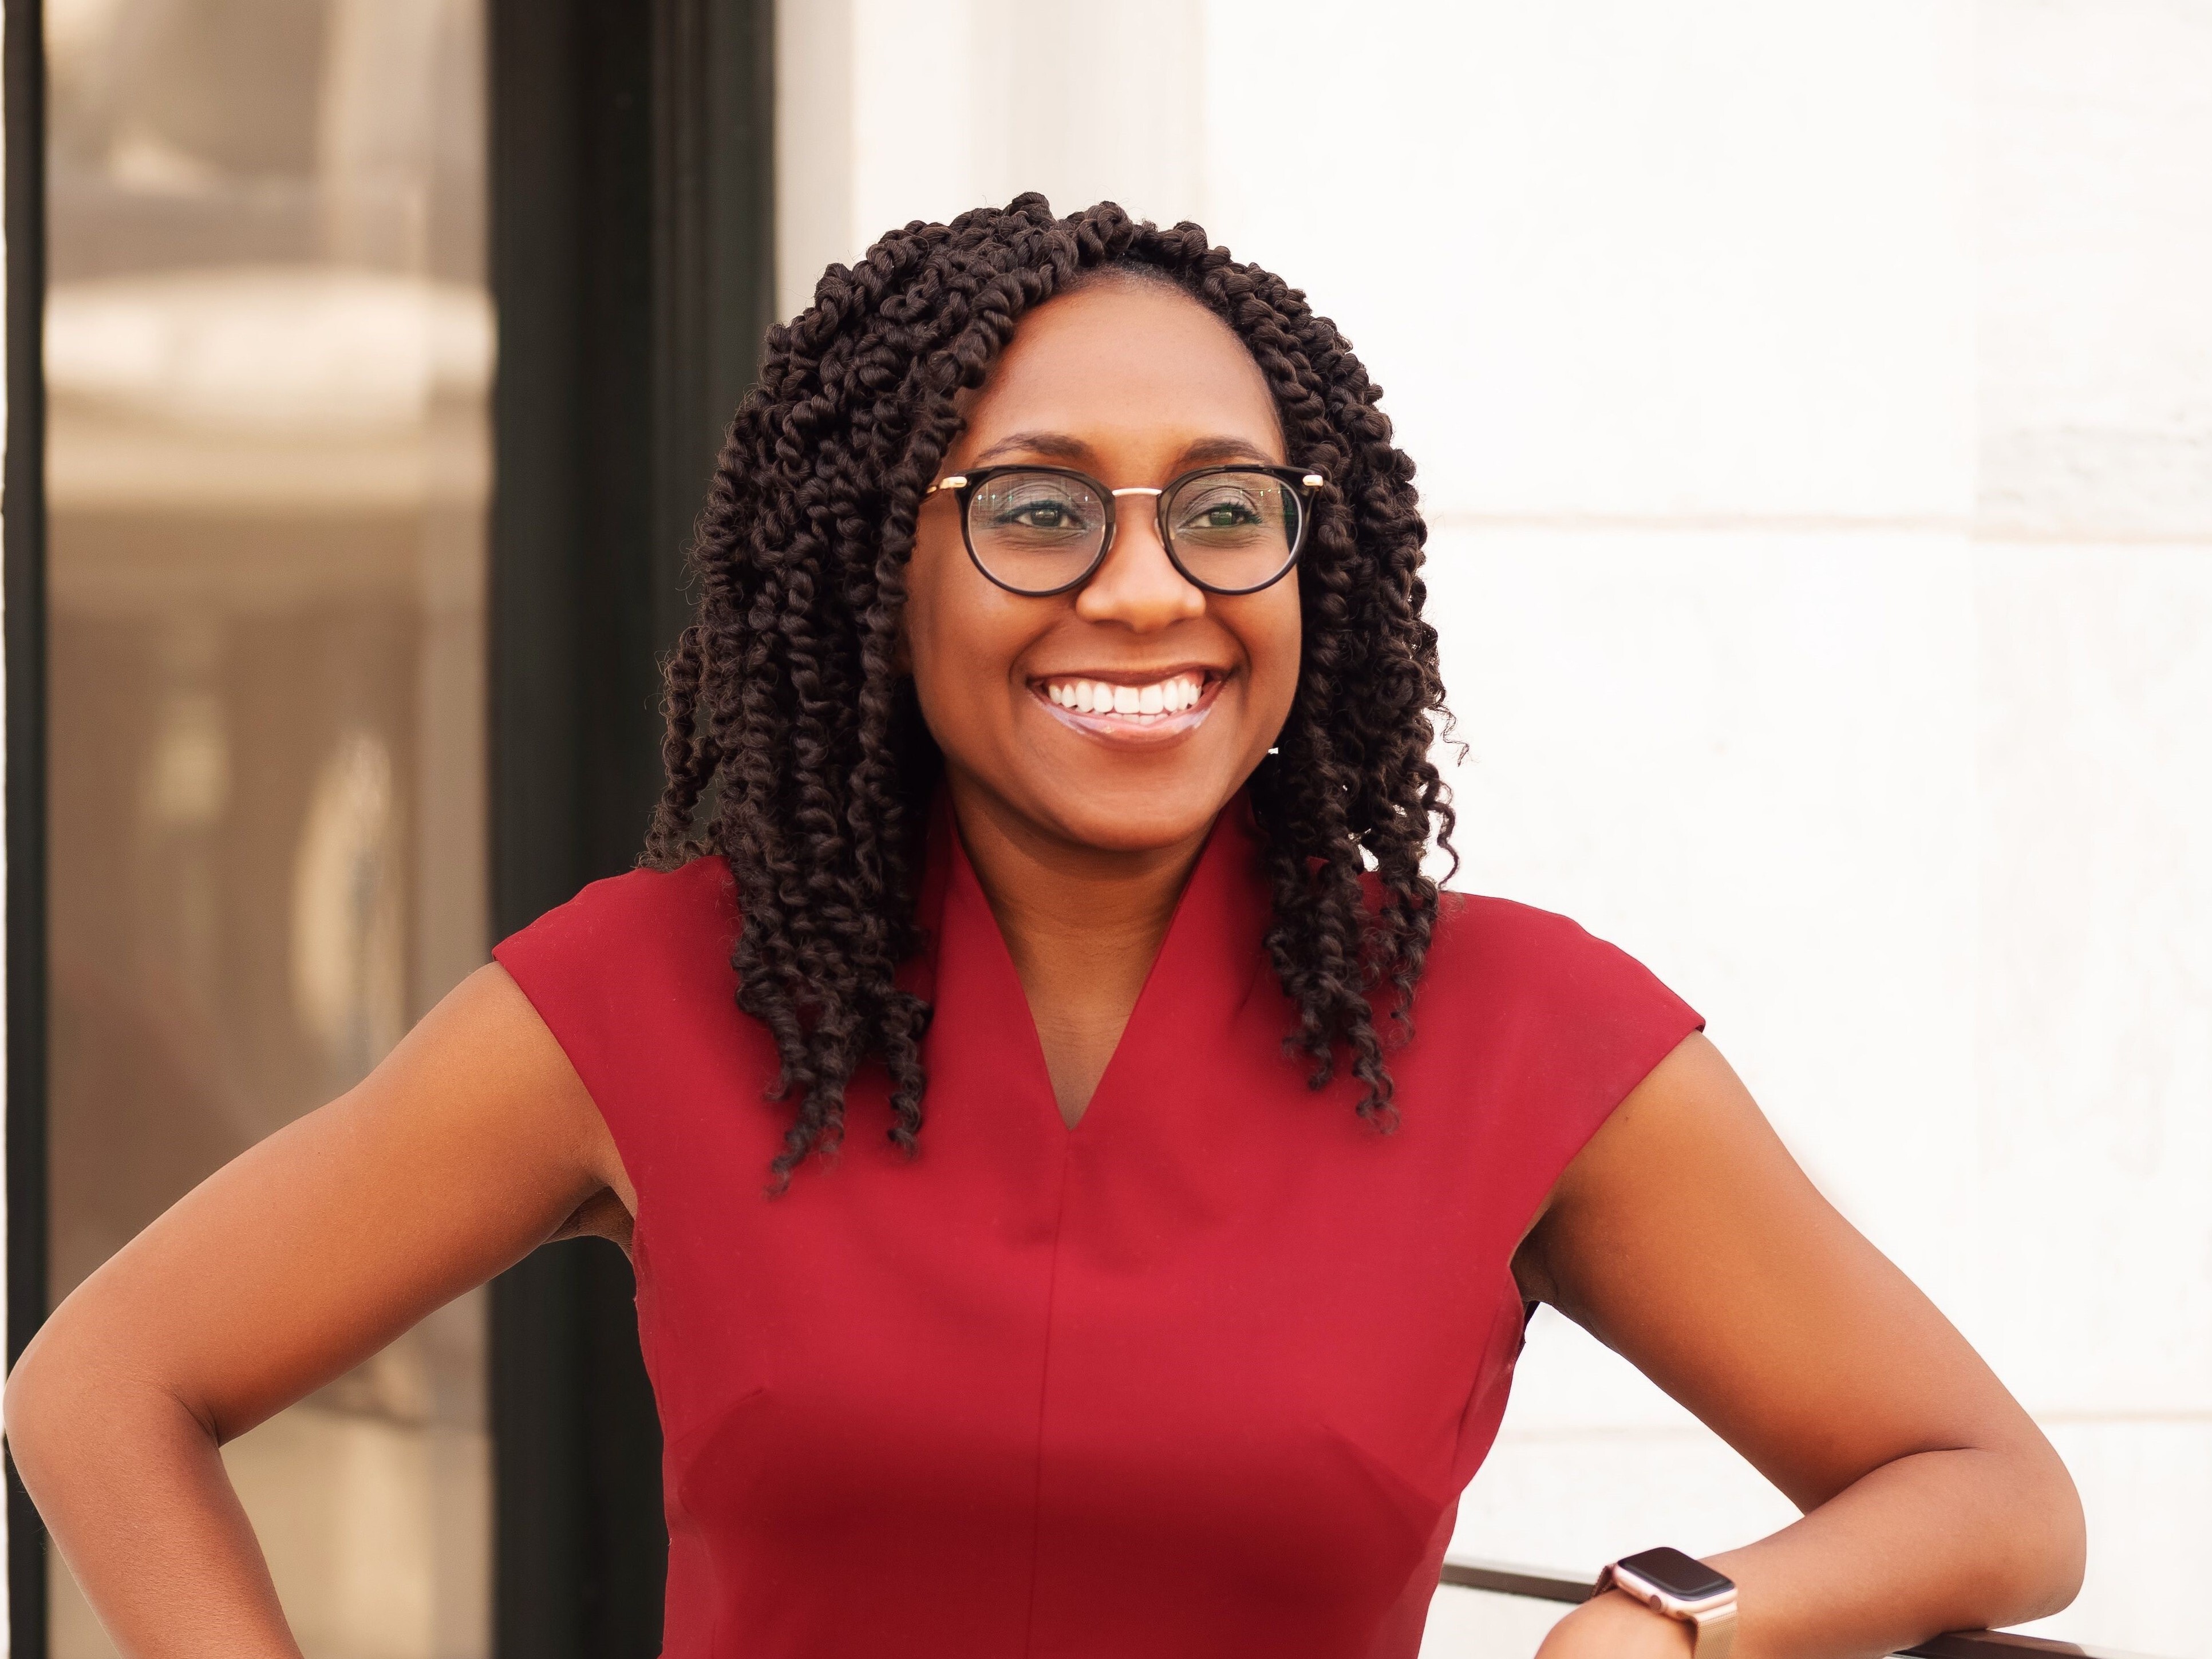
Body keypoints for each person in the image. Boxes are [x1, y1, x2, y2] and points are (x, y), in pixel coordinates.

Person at [4, 198, 2083, 1659]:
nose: (1147, 589)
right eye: (1036, 507)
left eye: (1224, 507)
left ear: (1306, 564)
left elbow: (1991, 1489)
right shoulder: (650, 992)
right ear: (875, 569)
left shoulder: (1525, 1035)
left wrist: (1683, 1614)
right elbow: (103, 1383)